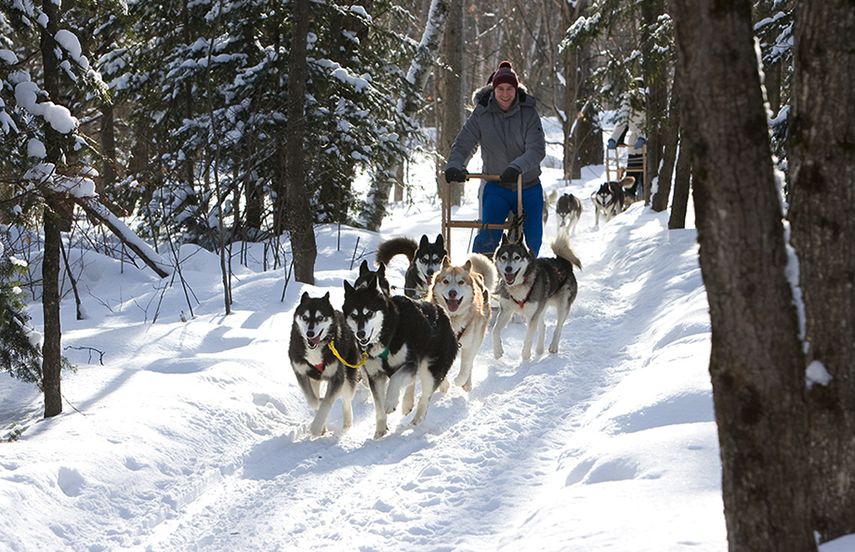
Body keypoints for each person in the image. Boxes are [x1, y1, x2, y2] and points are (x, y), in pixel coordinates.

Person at [444, 60, 546, 256]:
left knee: (533, 238)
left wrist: (517, 167)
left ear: (516, 90)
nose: (505, 94)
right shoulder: (482, 114)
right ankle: (479, 275)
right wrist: (455, 165)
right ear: (493, 90)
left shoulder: (528, 112)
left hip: (528, 185)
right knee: (488, 235)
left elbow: (537, 149)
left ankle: (528, 277)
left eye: (510, 89)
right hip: (497, 185)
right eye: (500, 89)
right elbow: (464, 143)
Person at [607, 78, 646, 201]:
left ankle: (643, 200)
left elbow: (649, 123)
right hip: (635, 145)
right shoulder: (630, 100)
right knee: (633, 174)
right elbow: (623, 122)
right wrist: (614, 138)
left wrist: (643, 137)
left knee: (644, 176)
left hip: (646, 145)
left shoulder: (649, 100)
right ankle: (629, 200)